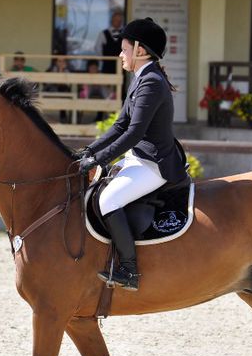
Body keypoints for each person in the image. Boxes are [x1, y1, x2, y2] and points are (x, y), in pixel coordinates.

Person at [79, 17, 189, 291]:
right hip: (139, 157)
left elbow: (134, 133)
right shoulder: (140, 78)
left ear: (140, 50)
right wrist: (89, 151)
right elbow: (120, 125)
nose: (120, 54)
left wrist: (99, 160)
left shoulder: (151, 82)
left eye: (125, 48)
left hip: (154, 164)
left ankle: (129, 270)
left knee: (108, 200)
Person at [94, 9, 124, 74]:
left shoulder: (124, 34)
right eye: (116, 20)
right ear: (112, 20)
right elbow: (97, 48)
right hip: (107, 65)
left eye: (119, 21)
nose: (118, 22)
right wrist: (104, 59)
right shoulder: (103, 33)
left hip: (121, 66)